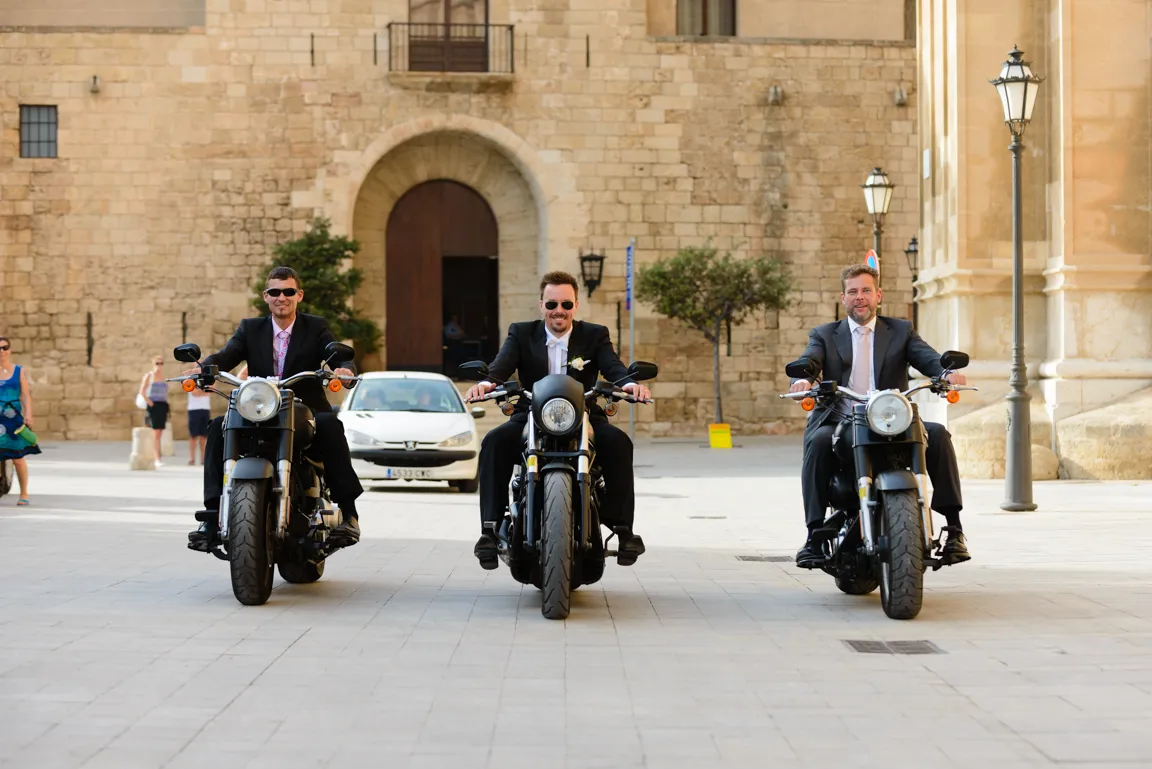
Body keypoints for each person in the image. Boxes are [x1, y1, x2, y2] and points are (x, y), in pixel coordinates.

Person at [465, 271, 652, 570]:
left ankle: (623, 529)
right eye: (552, 304)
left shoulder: (594, 334)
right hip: (530, 413)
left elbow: (613, 367)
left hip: (585, 414)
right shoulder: (521, 333)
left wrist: (629, 385)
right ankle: (489, 529)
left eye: (566, 304)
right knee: (494, 441)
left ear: (576, 305)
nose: (559, 311)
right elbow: (501, 366)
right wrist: (486, 385)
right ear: (541, 305)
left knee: (618, 442)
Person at [789, 264, 971, 568]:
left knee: (937, 434)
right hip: (843, 419)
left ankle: (954, 529)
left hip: (891, 420)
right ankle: (814, 535)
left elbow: (926, 357)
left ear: (878, 295)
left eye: (866, 291)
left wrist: (945, 372)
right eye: (853, 292)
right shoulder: (824, 334)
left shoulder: (900, 331)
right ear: (843, 297)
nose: (860, 297)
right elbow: (811, 359)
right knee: (819, 441)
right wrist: (805, 378)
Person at [186, 266, 363, 551]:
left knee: (330, 424)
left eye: (289, 291)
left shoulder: (315, 327)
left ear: (299, 295)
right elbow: (227, 354)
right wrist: (203, 369)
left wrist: (344, 368)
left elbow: (334, 351)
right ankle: (210, 516)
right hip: (260, 410)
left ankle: (349, 512)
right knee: (219, 426)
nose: (282, 297)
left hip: (304, 409)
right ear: (266, 297)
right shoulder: (250, 328)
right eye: (275, 292)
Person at [0, 336, 40, 505]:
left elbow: (25, 395)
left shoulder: (18, 371)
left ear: (10, 350)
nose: (1, 351)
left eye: (4, 347)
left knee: (18, 458)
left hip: (14, 418)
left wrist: (28, 414)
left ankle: (24, 493)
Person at [138, 355, 169, 469]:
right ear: (153, 364)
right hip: (154, 405)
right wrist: (150, 403)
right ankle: (156, 458)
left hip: (163, 405)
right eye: (157, 363)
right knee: (155, 432)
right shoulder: (149, 376)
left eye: (161, 363)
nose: (159, 366)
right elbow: (142, 391)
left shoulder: (163, 377)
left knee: (160, 432)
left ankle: (158, 457)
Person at [187, 385, 211, 465]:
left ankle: (203, 458)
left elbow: (211, 390)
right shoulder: (191, 378)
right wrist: (204, 391)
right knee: (193, 435)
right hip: (194, 409)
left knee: (204, 435)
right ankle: (191, 458)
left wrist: (201, 392)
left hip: (205, 409)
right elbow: (194, 393)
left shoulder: (208, 377)